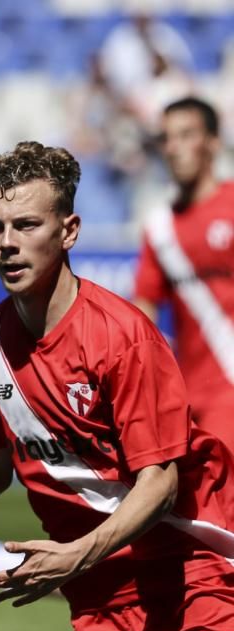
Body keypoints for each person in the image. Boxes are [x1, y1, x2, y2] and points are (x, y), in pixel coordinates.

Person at [0, 140, 234, 631]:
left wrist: (73, 556)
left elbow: (160, 485)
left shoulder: (124, 338)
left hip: (193, 566)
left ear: (68, 231)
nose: (7, 243)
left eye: (26, 225)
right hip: (100, 590)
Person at [133, 96, 234, 449]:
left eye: (186, 135)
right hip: (186, 400)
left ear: (213, 141)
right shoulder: (160, 227)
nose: (173, 148)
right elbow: (144, 305)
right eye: (166, 138)